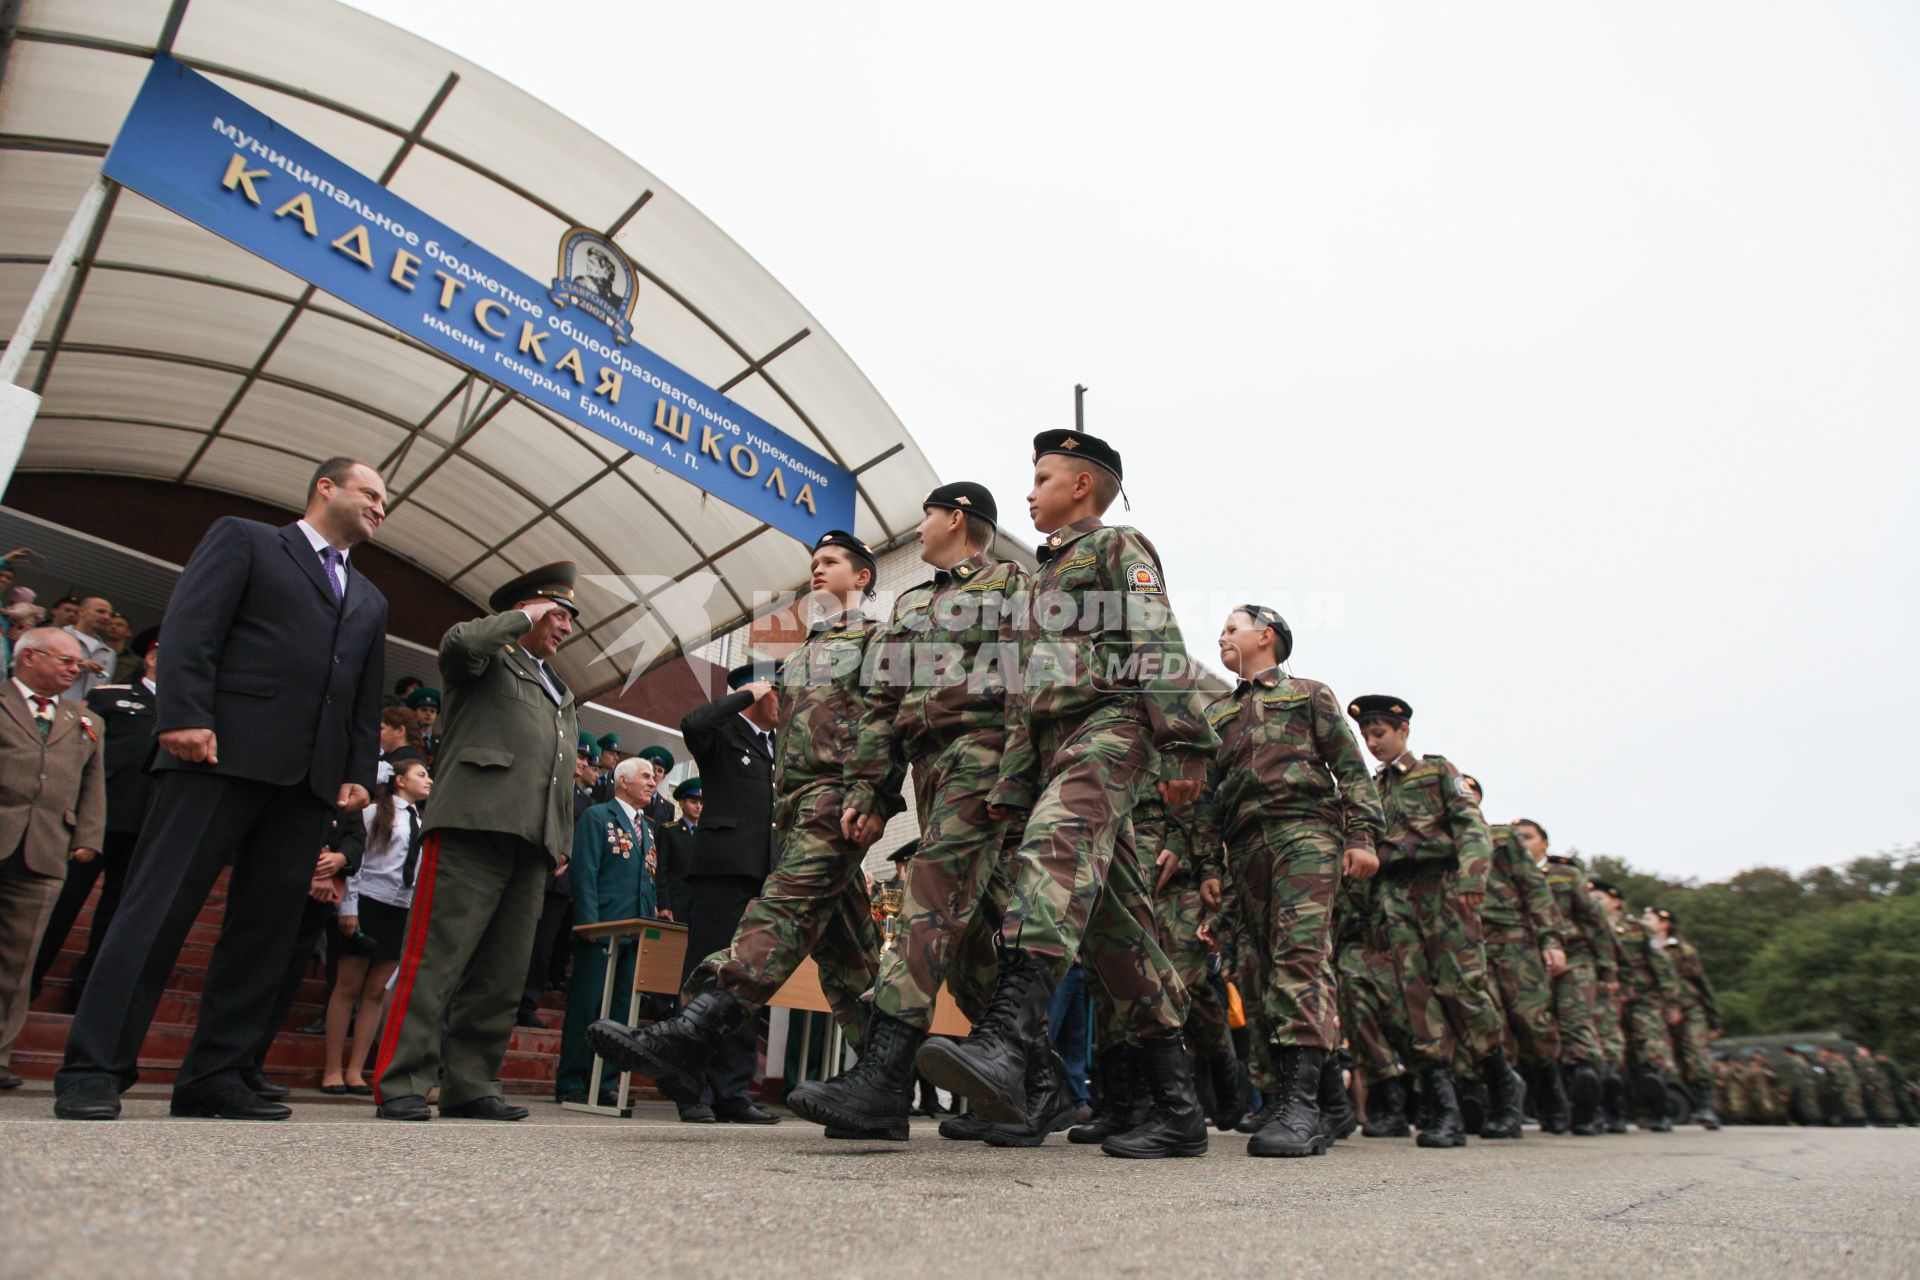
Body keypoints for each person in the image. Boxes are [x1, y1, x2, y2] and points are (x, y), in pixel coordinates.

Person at [915, 431, 1221, 1160]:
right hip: (1055, 745)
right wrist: (1014, 786)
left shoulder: (1119, 549)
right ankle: (1176, 1107)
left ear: (1081, 486)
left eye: (1043, 477)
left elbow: (1157, 638)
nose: (1030, 490)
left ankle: (1005, 1041)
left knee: (1053, 856)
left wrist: (1182, 741)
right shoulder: (1042, 579)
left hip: (1112, 726)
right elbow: (1027, 696)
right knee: (1119, 934)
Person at [54, 458, 389, 1122]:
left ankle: (216, 1073)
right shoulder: (248, 540)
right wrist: (181, 715)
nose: (383, 507)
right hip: (218, 756)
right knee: (156, 913)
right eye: (372, 493)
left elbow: (361, 693)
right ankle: (95, 1067)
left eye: (387, 501)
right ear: (326, 487)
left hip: (309, 782)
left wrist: (354, 769)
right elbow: (191, 628)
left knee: (264, 933)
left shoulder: (371, 598)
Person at [590, 531, 890, 1127]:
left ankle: (688, 1034)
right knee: (851, 960)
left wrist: (873, 792)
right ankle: (888, 1082)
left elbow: (888, 722)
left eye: (830, 562)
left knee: (777, 924)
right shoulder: (806, 652)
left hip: (836, 808)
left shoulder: (879, 641)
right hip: (802, 816)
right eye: (812, 563)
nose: (816, 571)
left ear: (862, 579)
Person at [786, 483, 1041, 1144]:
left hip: (982, 758)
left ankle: (884, 1078)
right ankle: (1036, 1088)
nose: (919, 528)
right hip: (929, 768)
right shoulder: (912, 603)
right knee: (972, 931)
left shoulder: (1012, 584)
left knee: (929, 901)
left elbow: (1030, 681)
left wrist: (1018, 770)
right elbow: (879, 703)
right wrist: (871, 791)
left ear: (955, 518)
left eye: (926, 516)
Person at [372, 564, 580, 1122]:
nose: (565, 627)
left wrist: (559, 838)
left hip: (531, 843)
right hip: (472, 824)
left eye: (569, 619)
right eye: (556, 614)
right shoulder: (486, 656)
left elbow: (559, 773)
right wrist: (518, 620)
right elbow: (460, 644)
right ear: (528, 609)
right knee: (435, 960)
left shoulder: (560, 690)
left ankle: (470, 1082)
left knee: (502, 973)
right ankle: (402, 1081)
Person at [1191, 605, 1383, 1158]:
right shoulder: (1218, 715)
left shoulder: (1309, 694)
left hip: (1306, 836)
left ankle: (1300, 1106)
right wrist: (1209, 867)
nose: (1222, 636)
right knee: (1259, 970)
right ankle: (1322, 1100)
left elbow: (1350, 769)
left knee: (1300, 957)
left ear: (1265, 635)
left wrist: (1362, 837)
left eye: (1232, 628)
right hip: (1245, 850)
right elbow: (1206, 798)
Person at [1348, 695, 1515, 1148]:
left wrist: (1472, 879)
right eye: (1366, 737)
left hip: (1443, 891)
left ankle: (1502, 1086)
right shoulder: (1371, 788)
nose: (1372, 743)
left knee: (1462, 990)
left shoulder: (1437, 772)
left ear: (1403, 731)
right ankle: (1445, 1110)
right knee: (1412, 999)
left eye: (1379, 734)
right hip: (1394, 897)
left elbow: (1471, 828)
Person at [655, 670, 778, 1124]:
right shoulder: (722, 733)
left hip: (764, 877)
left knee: (747, 983)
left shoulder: (774, 747)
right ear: (760, 691)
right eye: (777, 692)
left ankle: (732, 1090)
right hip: (723, 870)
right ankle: (693, 1088)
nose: (784, 702)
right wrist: (746, 694)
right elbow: (692, 723)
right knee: (706, 975)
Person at [0, 629, 107, 1088]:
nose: (73, 669)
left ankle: (0, 1054)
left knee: (18, 961)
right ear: (28, 658)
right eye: (65, 660)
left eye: (77, 664)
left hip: (45, 849)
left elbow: (93, 784)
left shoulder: (85, 720)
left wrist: (88, 835)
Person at [30, 631, 160, 1008]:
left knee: (118, 916)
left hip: (148, 828)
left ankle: (86, 993)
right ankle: (28, 982)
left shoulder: (194, 708)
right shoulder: (108, 696)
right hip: (96, 821)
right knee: (61, 905)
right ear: (152, 657)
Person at [1458, 777, 1569, 1133]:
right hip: (1471, 944)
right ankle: (1507, 1107)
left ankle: (1552, 1096)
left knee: (1532, 1022)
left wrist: (1551, 939)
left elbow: (1534, 887)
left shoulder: (1503, 839)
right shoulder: (1445, 841)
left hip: (1515, 941)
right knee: (1491, 1025)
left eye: (1470, 796)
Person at [321, 751, 431, 1095]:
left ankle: (356, 1070)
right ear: (399, 780)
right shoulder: (374, 813)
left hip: (399, 908)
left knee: (374, 992)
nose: (428, 780)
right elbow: (358, 860)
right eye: (420, 774)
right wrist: (348, 907)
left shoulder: (421, 820)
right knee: (348, 986)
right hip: (368, 901)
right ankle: (332, 1069)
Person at [556, 757, 663, 1104]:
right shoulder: (597, 817)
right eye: (645, 776)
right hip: (601, 929)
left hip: (633, 934)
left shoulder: (646, 827)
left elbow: (648, 881)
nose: (652, 782)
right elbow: (585, 872)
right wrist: (589, 924)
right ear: (622, 781)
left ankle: (604, 1084)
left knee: (621, 1011)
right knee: (587, 1006)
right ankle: (573, 1080)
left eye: (652, 777)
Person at [1514, 819, 1607, 1134]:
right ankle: (1553, 1102)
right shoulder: (1505, 874)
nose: (1521, 843)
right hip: (1526, 960)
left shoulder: (1566, 876)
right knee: (1537, 1030)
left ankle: (1586, 1104)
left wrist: (1607, 969)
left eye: (1527, 837)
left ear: (1545, 843)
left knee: (1575, 1022)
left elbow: (1595, 922)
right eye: (1516, 838)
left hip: (1574, 959)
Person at [1591, 881, 1684, 1131]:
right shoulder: (1589, 924)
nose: (1594, 900)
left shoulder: (1638, 929)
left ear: (1615, 901)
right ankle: (1614, 1112)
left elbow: (1662, 966)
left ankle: (1658, 1110)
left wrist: (1671, 1002)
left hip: (1643, 999)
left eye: (1599, 897)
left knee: (1650, 1052)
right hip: (1606, 998)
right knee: (1611, 1053)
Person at [1647, 906, 1721, 1129]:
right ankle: (1658, 1111)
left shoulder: (1683, 951)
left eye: (1649, 918)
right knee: (1657, 1058)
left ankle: (1705, 1108)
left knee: (1695, 1056)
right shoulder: (1643, 947)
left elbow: (1701, 983)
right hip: (1656, 1010)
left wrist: (1713, 1019)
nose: (1644, 921)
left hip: (1689, 1009)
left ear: (1664, 924)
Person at [656, 776, 701, 923]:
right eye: (693, 802)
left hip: (698, 904)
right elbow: (661, 869)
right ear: (681, 803)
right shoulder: (669, 831)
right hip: (675, 904)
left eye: (701, 802)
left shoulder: (705, 834)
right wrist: (663, 904)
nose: (698, 806)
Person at [58, 595, 115, 703]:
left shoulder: (109, 653)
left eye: (109, 614)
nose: (107, 617)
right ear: (82, 611)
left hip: (85, 715)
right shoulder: (57, 635)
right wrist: (78, 665)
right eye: (100, 611)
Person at [406, 686, 441, 764]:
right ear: (415, 712)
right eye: (424, 710)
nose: (428, 714)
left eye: (432, 711)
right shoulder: (407, 738)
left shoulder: (441, 742)